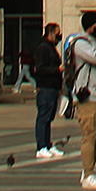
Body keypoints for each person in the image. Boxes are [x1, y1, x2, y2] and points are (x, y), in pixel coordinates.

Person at [64, 11, 96, 188]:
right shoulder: (80, 44)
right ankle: (88, 174)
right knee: (89, 135)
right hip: (87, 96)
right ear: (92, 25)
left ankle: (87, 170)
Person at [24, 22, 66, 160]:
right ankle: (41, 146)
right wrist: (57, 70)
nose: (59, 36)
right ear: (51, 33)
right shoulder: (43, 48)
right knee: (43, 117)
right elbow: (40, 69)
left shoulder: (51, 48)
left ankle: (47, 144)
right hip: (46, 87)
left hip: (53, 87)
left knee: (49, 117)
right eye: (57, 33)